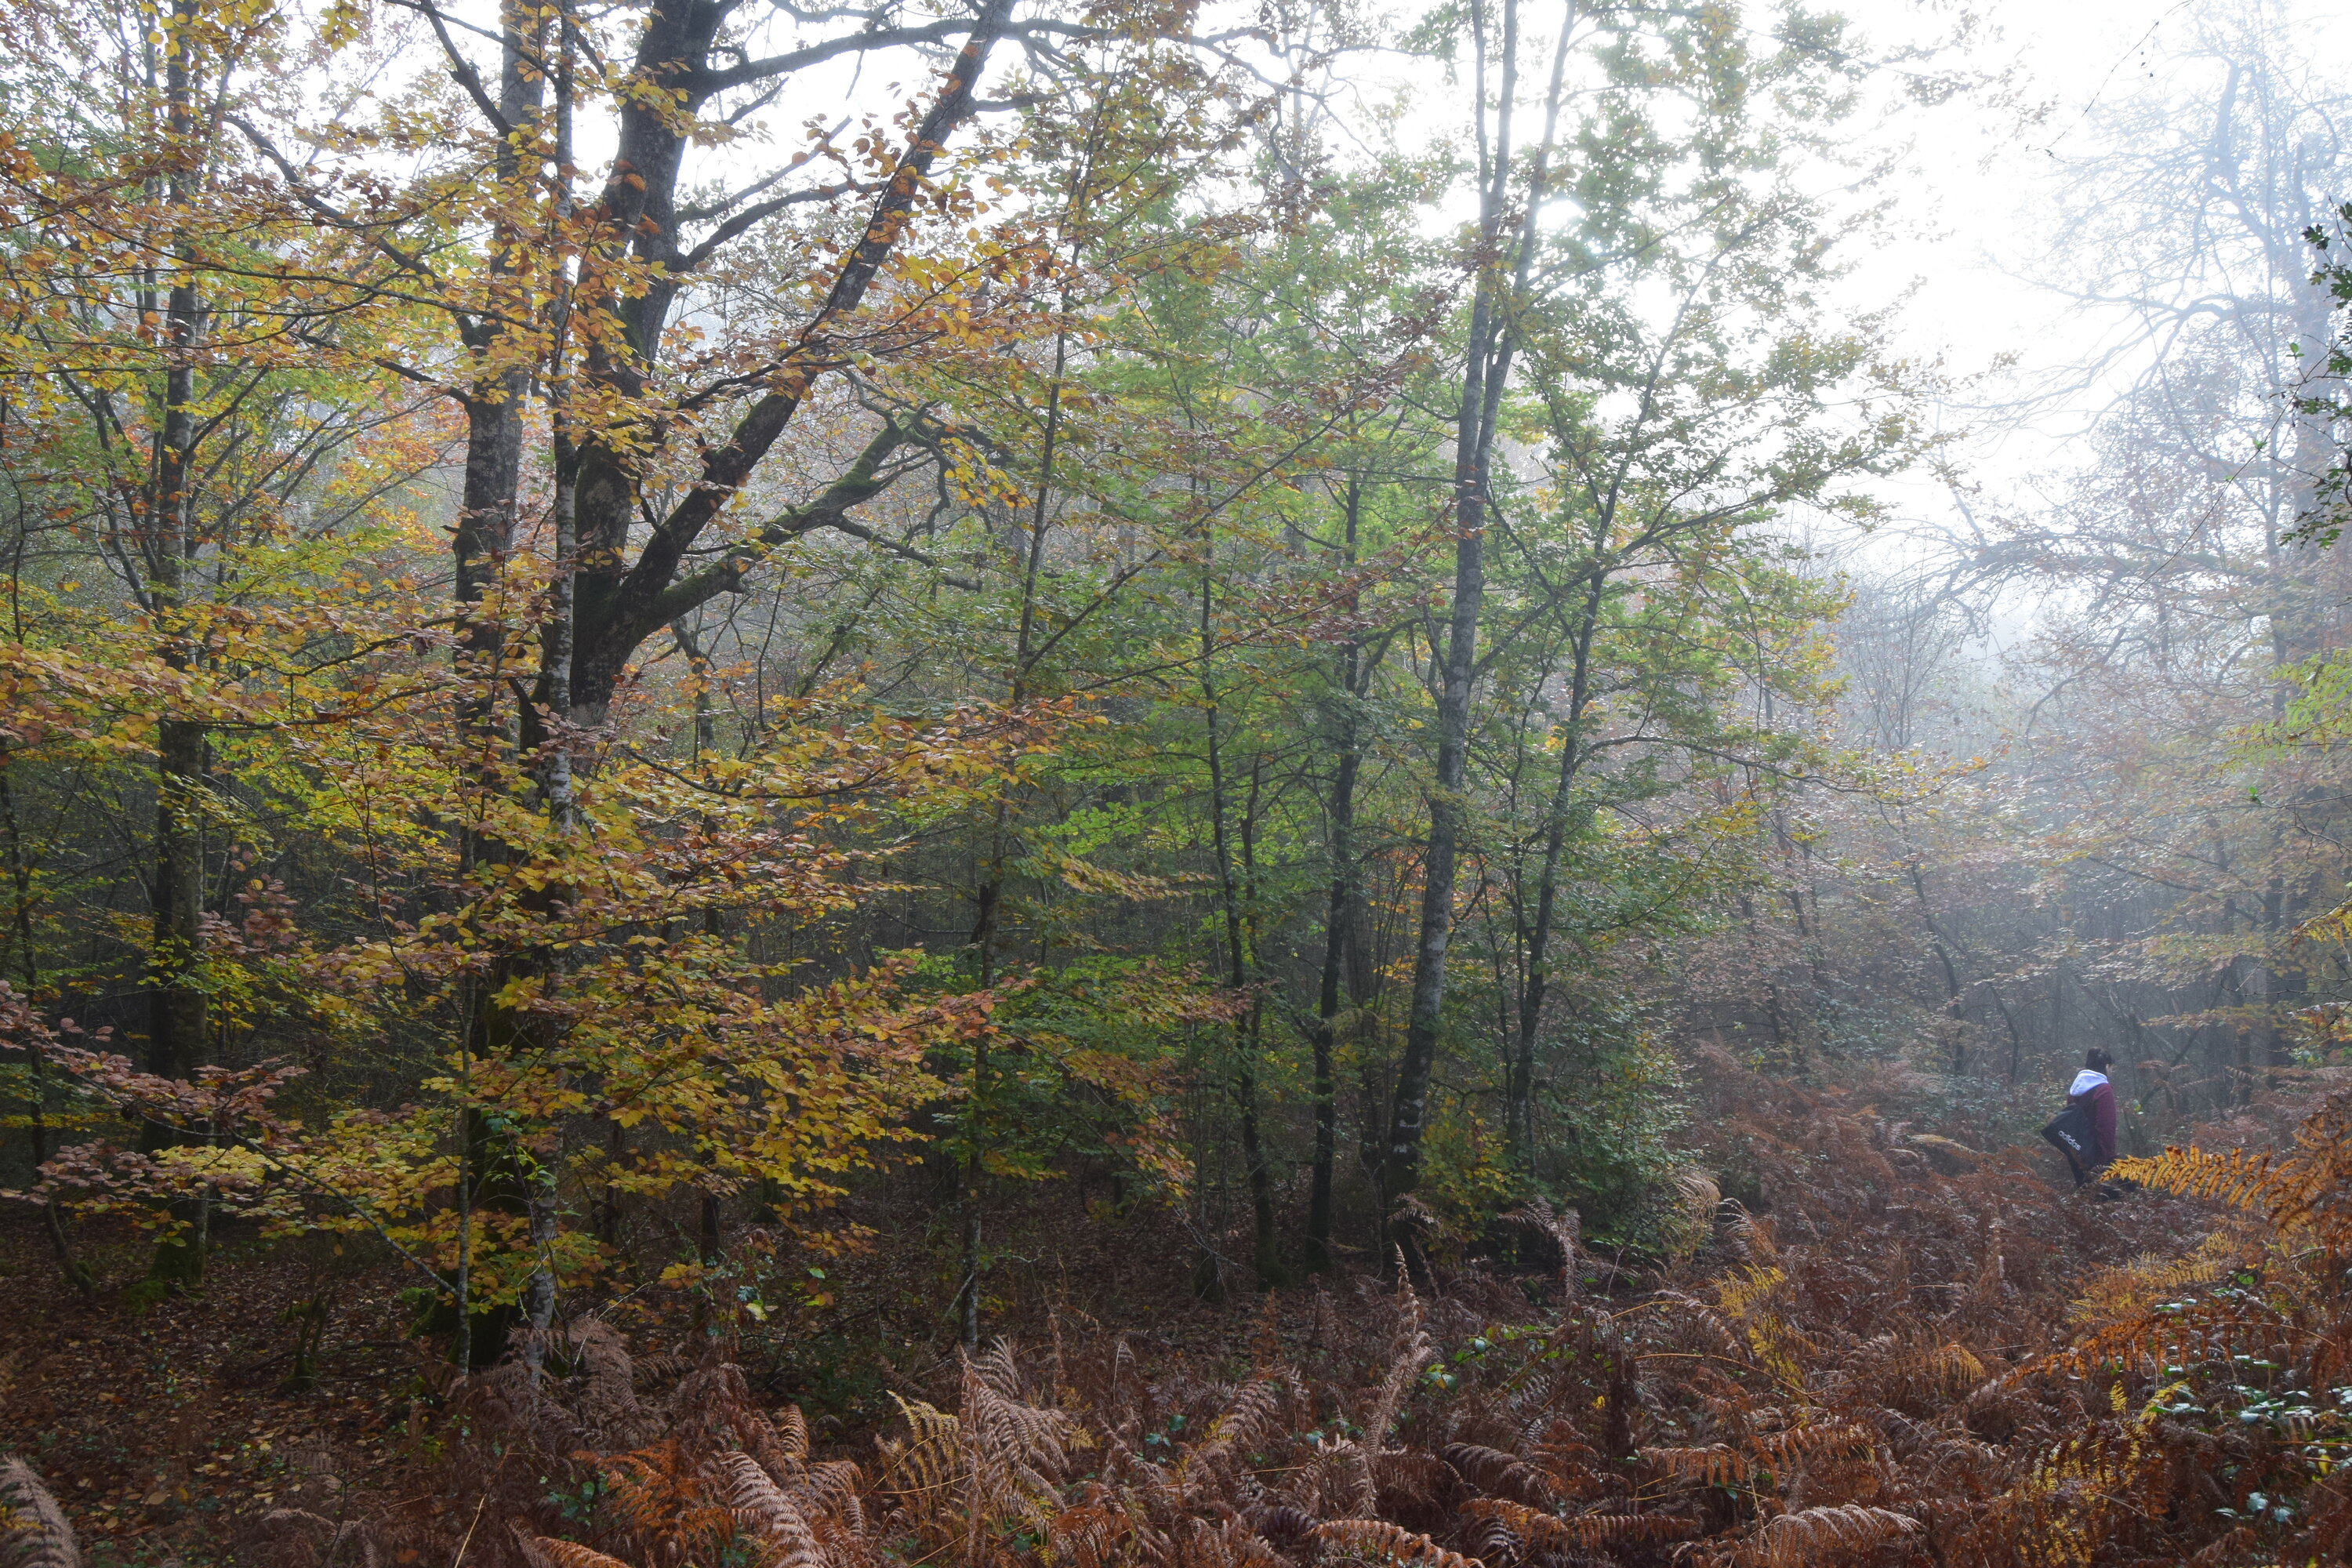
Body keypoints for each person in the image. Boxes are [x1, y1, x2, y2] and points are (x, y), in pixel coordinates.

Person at [2069, 1047, 2119, 1183]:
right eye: (2111, 1068)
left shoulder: (2074, 1089)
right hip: (2097, 1156)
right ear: (2106, 1066)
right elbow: (2106, 1126)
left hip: (2076, 1152)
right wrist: (2107, 1157)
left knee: (2085, 1194)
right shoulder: (2104, 1089)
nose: (2112, 1072)